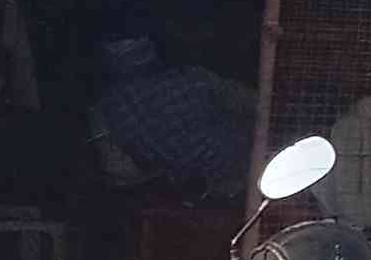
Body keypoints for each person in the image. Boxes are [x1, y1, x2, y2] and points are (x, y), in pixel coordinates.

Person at [89, 31, 257, 208]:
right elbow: (256, 103)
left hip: (200, 196)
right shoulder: (194, 78)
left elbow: (119, 171)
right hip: (246, 176)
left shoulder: (104, 112)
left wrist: (164, 168)